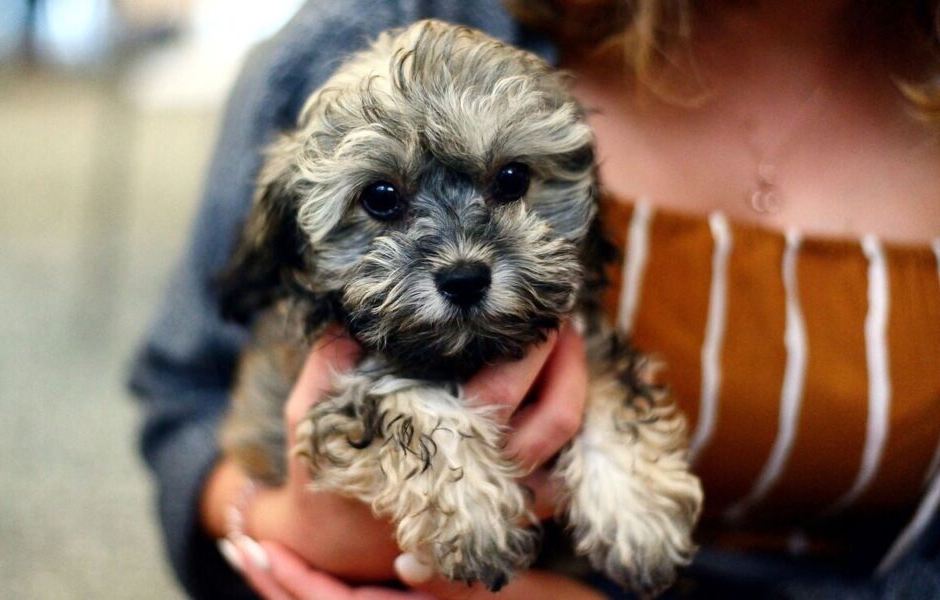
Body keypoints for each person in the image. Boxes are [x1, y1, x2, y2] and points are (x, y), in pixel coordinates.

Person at [129, 0, 940, 598]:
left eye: (509, 183)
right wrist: (266, 525)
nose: (460, 256)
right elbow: (184, 396)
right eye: (383, 201)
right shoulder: (350, 38)